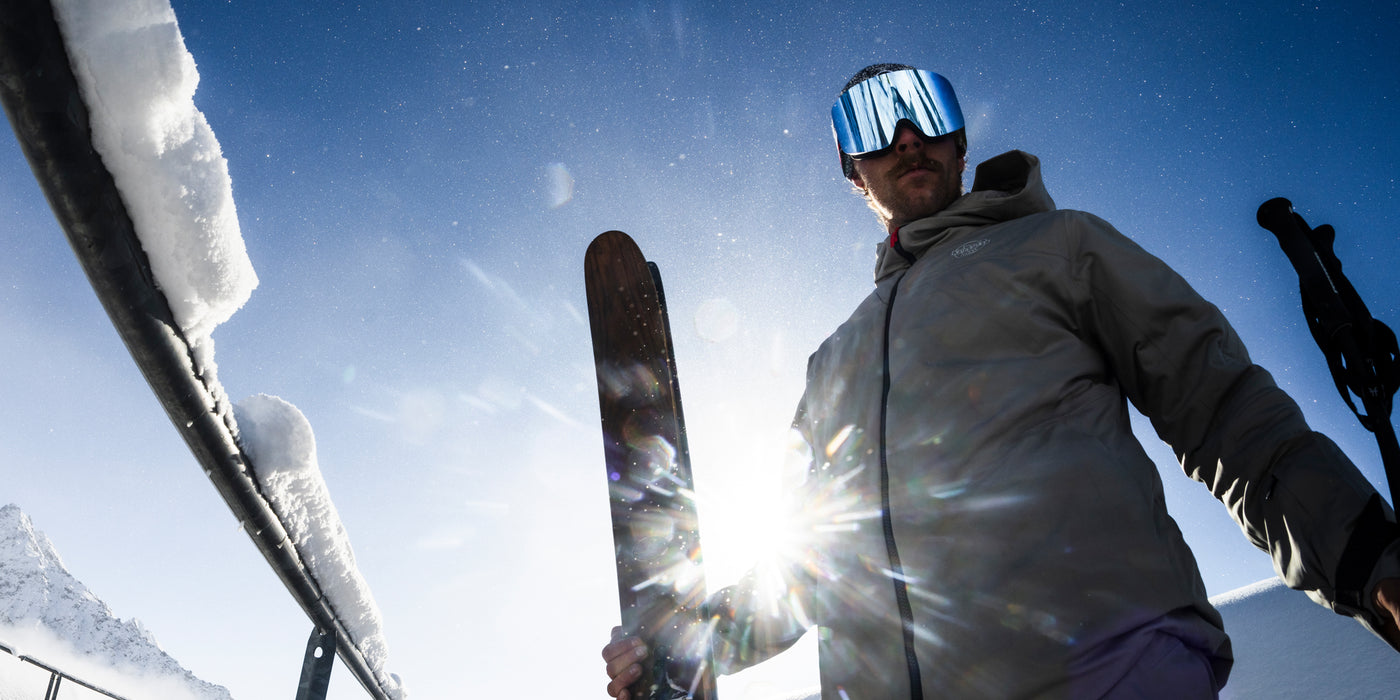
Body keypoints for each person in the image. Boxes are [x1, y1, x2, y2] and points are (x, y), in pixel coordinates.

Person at [602, 63, 1400, 699]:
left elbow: (1221, 408)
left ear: (958, 144)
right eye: (874, 124)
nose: (906, 135)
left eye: (925, 109)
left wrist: (1368, 558)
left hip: (1106, 667)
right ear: (856, 174)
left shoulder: (1061, 246)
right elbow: (815, 564)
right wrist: (682, 646)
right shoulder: (834, 357)